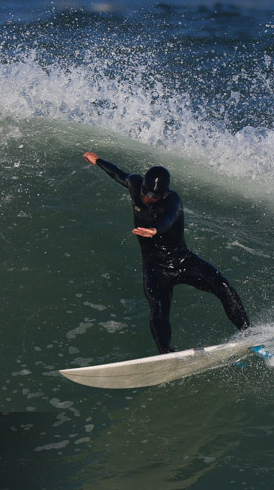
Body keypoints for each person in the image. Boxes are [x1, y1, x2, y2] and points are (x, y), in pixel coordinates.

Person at [84, 152, 250, 354]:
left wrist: (155, 230)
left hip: (182, 261)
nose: (147, 198)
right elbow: (119, 174)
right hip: (156, 267)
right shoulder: (136, 185)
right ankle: (166, 353)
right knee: (158, 308)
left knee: (223, 286)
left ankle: (248, 333)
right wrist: (99, 161)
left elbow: (169, 218)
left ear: (163, 194)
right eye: (146, 193)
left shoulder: (173, 201)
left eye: (154, 196)